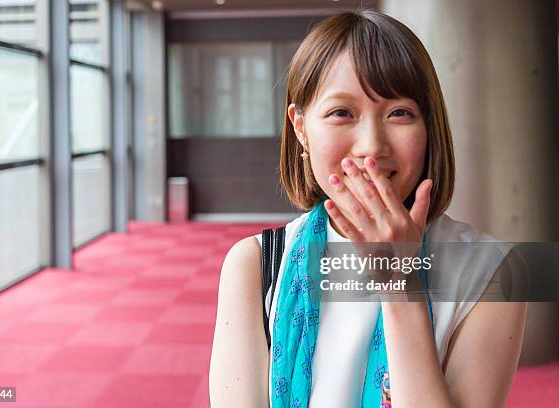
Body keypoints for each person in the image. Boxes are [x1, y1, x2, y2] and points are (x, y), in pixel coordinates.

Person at [209, 10, 527, 408]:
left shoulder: (495, 272)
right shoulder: (254, 265)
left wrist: (400, 286)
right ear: (301, 128)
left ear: (429, 129)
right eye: (342, 113)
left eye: (399, 113)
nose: (372, 147)